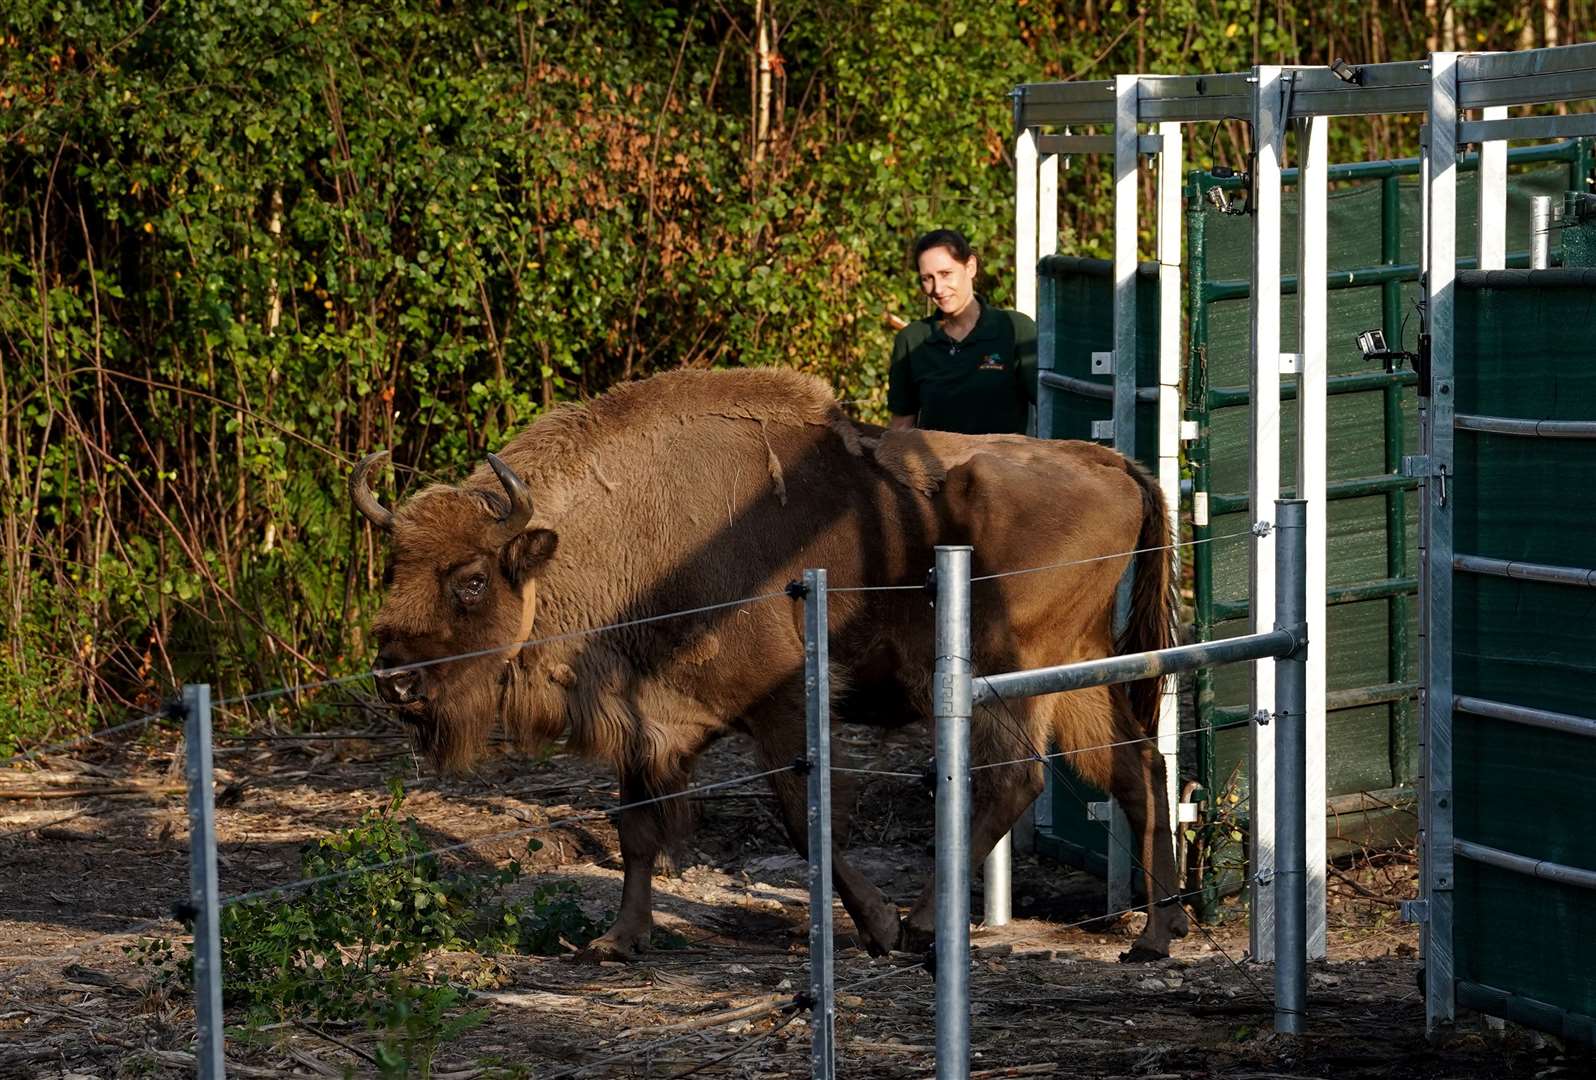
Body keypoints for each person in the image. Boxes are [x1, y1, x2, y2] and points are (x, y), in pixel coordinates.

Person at [887, 229, 1038, 435]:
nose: (938, 289)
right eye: (927, 278)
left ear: (970, 267)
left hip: (1005, 465)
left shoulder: (1015, 328)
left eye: (945, 274)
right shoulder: (911, 340)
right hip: (937, 466)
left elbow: (1053, 409)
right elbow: (901, 428)